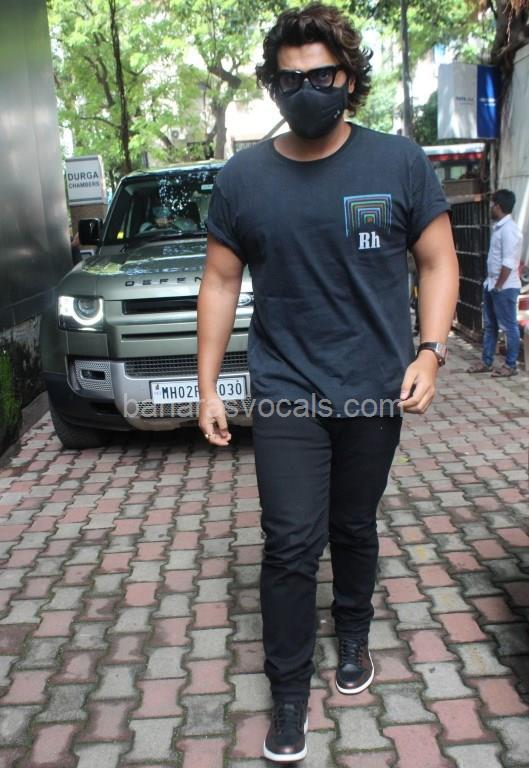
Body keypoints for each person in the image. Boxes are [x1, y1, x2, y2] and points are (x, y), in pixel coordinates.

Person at [197, 4, 459, 762]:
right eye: (290, 80)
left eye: (321, 76)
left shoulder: (397, 163)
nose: (306, 90)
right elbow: (219, 282)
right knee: (289, 542)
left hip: (375, 386)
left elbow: (438, 261)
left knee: (352, 525)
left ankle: (353, 634)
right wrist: (208, 385)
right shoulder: (244, 177)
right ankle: (287, 692)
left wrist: (430, 352)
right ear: (272, 86)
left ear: (347, 78)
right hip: (286, 387)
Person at [467, 189, 522, 377]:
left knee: (509, 326)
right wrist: (492, 284)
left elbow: (508, 262)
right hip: (493, 285)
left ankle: (511, 365)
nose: (490, 208)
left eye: (492, 204)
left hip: (504, 287)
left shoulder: (510, 230)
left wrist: (498, 285)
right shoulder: (500, 228)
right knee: (490, 325)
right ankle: (487, 361)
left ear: (498, 206)